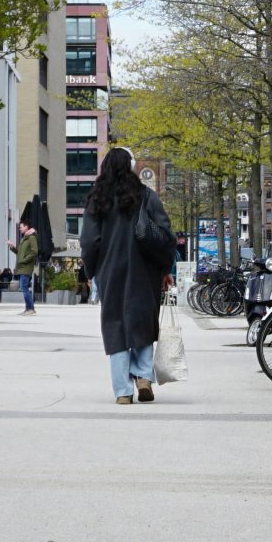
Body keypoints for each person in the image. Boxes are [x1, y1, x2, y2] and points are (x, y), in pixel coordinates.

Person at [78, 147, 176, 405]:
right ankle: (143, 376)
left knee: (115, 324)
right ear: (132, 167)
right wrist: (166, 269)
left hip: (110, 271)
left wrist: (91, 271)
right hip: (145, 270)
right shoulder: (146, 196)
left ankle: (122, 390)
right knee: (142, 320)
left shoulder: (97, 199)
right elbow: (165, 235)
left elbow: (89, 241)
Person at [13, 222, 40, 314]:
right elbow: (20, 253)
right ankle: (28, 308)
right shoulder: (24, 238)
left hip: (26, 267)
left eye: (21, 227)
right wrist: (12, 247)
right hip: (22, 267)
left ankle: (31, 308)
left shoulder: (31, 238)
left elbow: (34, 252)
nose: (19, 228)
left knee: (24, 287)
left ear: (26, 227)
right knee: (24, 288)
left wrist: (24, 260)